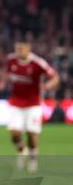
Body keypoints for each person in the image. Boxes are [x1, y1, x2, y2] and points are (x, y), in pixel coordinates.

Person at [4, 41, 58, 173]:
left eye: (21, 48)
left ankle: (33, 159)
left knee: (31, 134)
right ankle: (22, 150)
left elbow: (55, 77)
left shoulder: (38, 63)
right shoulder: (11, 60)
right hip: (15, 102)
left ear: (28, 49)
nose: (18, 51)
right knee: (14, 133)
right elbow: (7, 74)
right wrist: (4, 82)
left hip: (33, 104)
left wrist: (47, 86)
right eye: (17, 48)